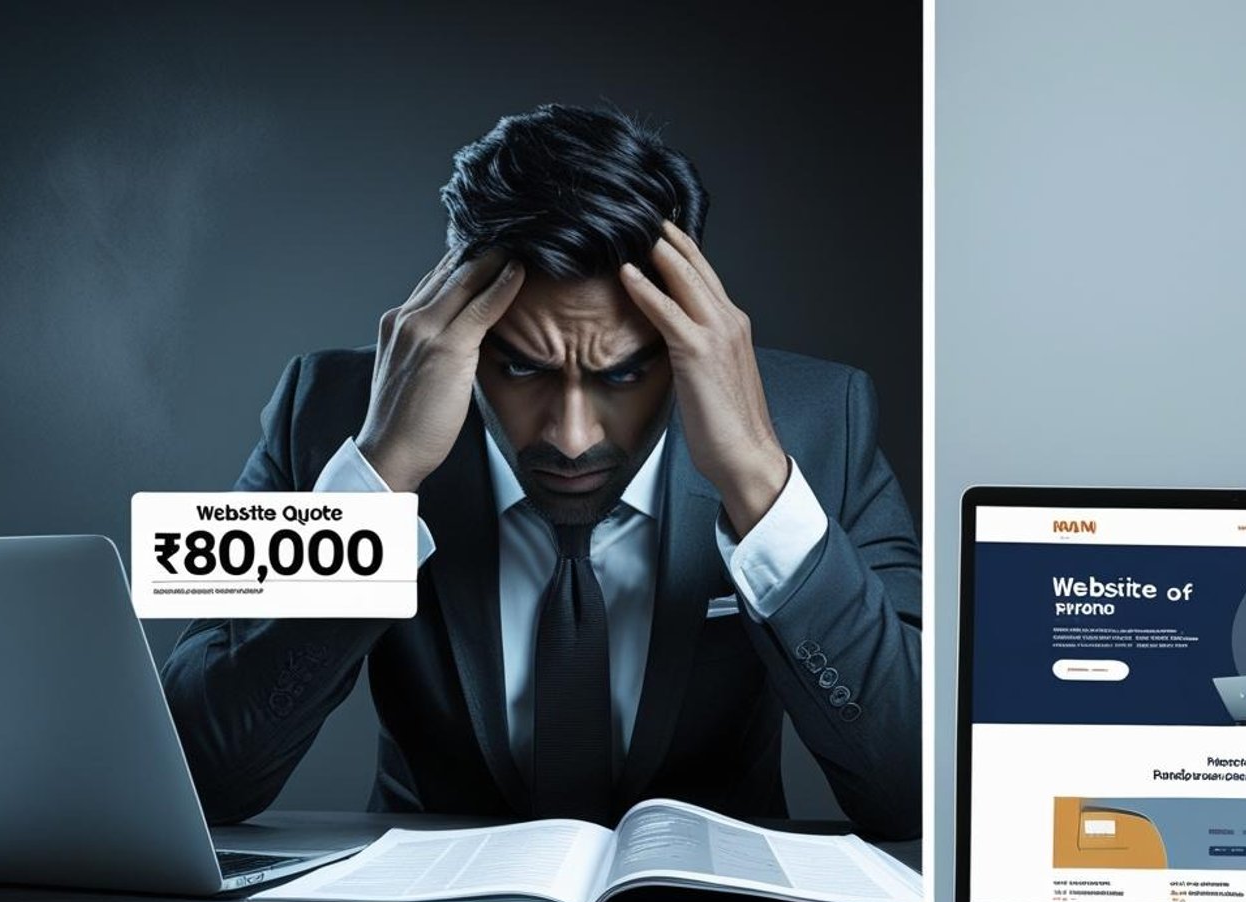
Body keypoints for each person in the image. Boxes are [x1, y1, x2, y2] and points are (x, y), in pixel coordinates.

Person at [161, 105, 921, 840]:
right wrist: (376, 482)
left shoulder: (818, 422)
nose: (570, 436)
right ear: (453, 328)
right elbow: (198, 776)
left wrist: (760, 485)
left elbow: (916, 785)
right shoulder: (328, 416)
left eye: (624, 375)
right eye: (520, 366)